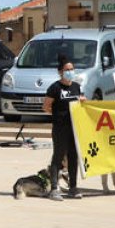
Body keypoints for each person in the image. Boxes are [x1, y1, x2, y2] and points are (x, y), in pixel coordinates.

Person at [44, 57, 85, 202]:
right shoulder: (54, 88)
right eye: (67, 70)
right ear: (60, 72)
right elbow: (46, 107)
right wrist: (57, 116)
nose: (70, 72)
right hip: (60, 128)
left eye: (71, 69)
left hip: (74, 128)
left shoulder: (76, 86)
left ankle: (73, 187)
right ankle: (54, 188)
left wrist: (82, 101)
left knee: (73, 157)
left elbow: (81, 103)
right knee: (58, 156)